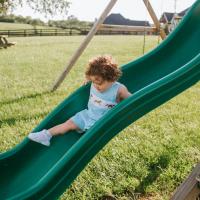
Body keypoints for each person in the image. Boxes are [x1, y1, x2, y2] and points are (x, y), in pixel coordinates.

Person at [28, 55, 132, 146]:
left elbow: (132, 100)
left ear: (111, 78)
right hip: (88, 115)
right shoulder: (94, 82)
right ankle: (46, 135)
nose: (96, 86)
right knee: (68, 124)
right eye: (93, 82)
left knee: (87, 139)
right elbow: (91, 79)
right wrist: (88, 81)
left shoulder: (119, 90)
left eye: (99, 83)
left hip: (102, 123)